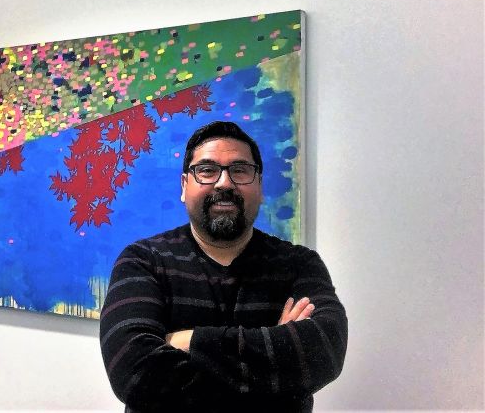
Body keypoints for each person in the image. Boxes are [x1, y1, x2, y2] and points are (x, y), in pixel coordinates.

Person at [100, 121, 347, 412]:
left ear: (259, 185)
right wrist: (276, 360)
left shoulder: (299, 264)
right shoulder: (143, 260)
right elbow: (134, 373)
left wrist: (189, 340)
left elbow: (324, 352)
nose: (225, 183)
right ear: (184, 186)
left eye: (240, 170)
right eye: (207, 170)